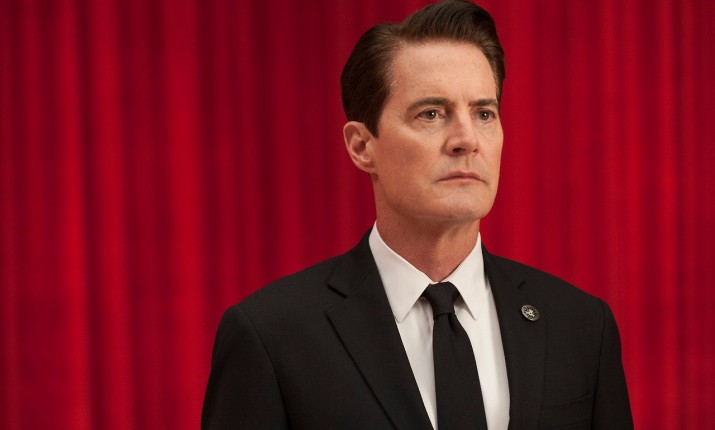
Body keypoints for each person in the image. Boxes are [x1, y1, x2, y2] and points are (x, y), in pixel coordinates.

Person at [201, 1, 633, 429]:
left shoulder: (580, 325)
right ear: (362, 146)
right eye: (431, 114)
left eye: (484, 113)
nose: (467, 139)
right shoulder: (272, 335)